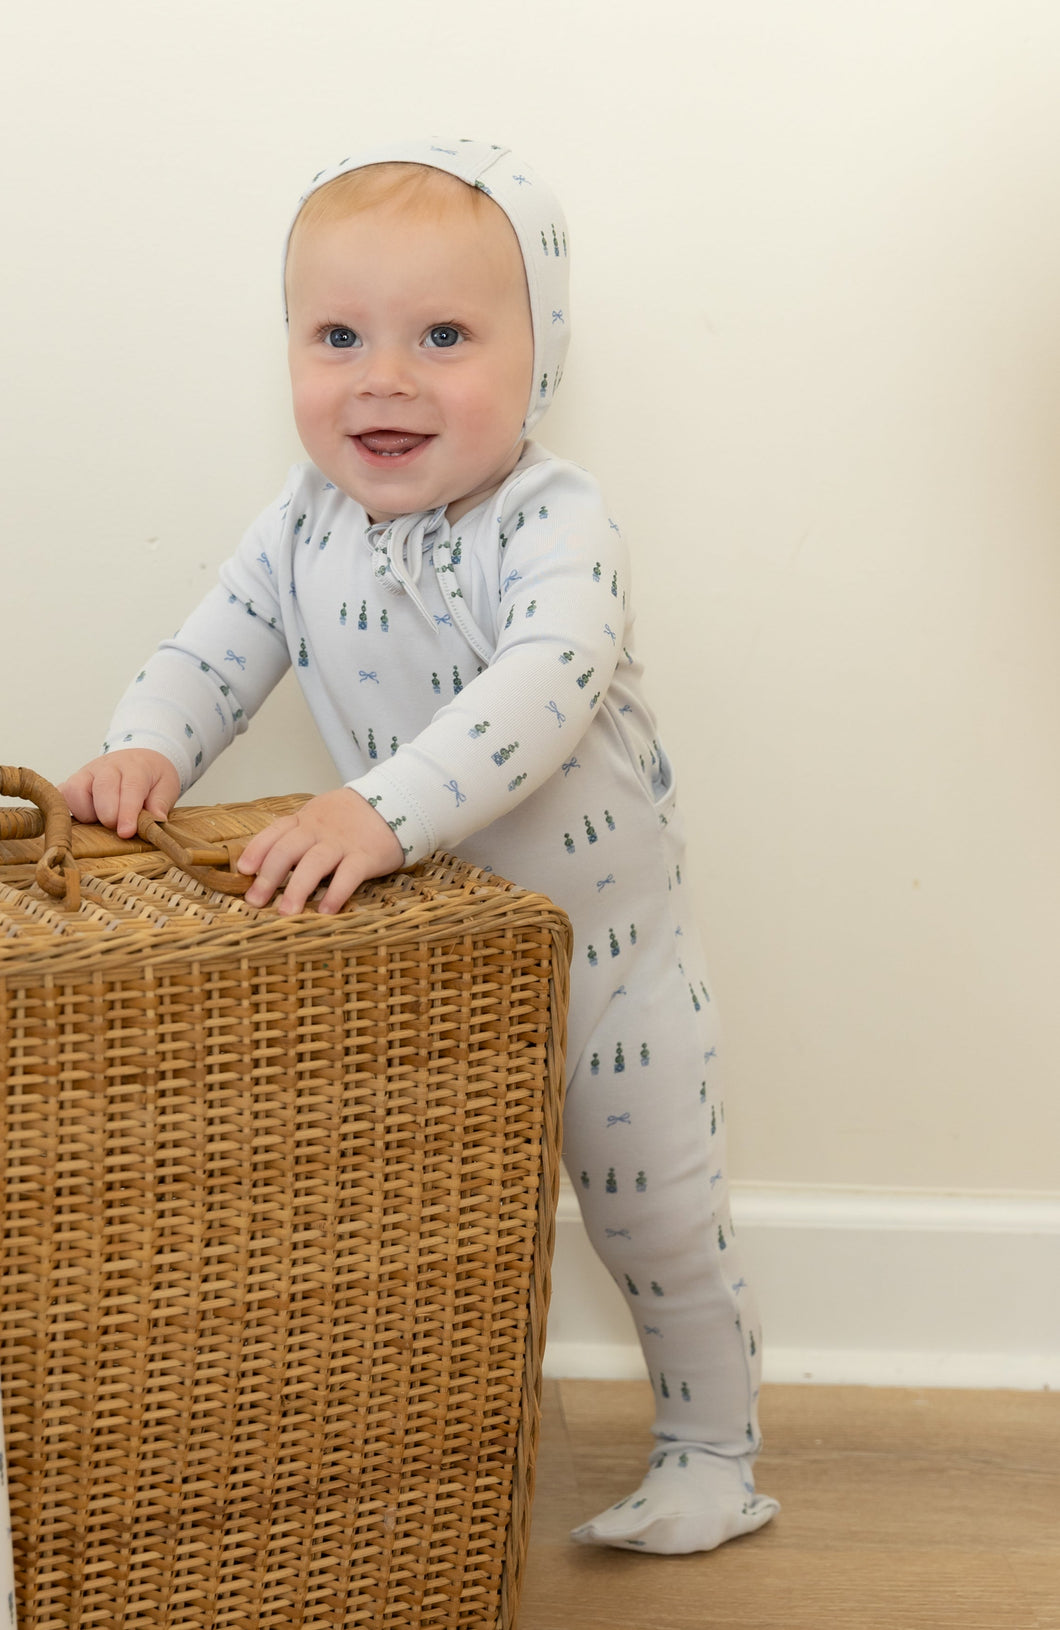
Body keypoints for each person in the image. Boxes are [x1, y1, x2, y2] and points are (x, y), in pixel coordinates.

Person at [61, 138, 779, 1555]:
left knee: (656, 1211)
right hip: (437, 962)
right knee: (417, 1220)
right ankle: (411, 1449)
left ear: (539, 356)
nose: (382, 377)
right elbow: (215, 647)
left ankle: (712, 1445)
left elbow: (543, 689)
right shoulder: (299, 521)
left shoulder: (555, 522)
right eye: (338, 335)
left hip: (607, 970)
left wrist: (376, 810)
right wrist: (148, 741)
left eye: (442, 336)